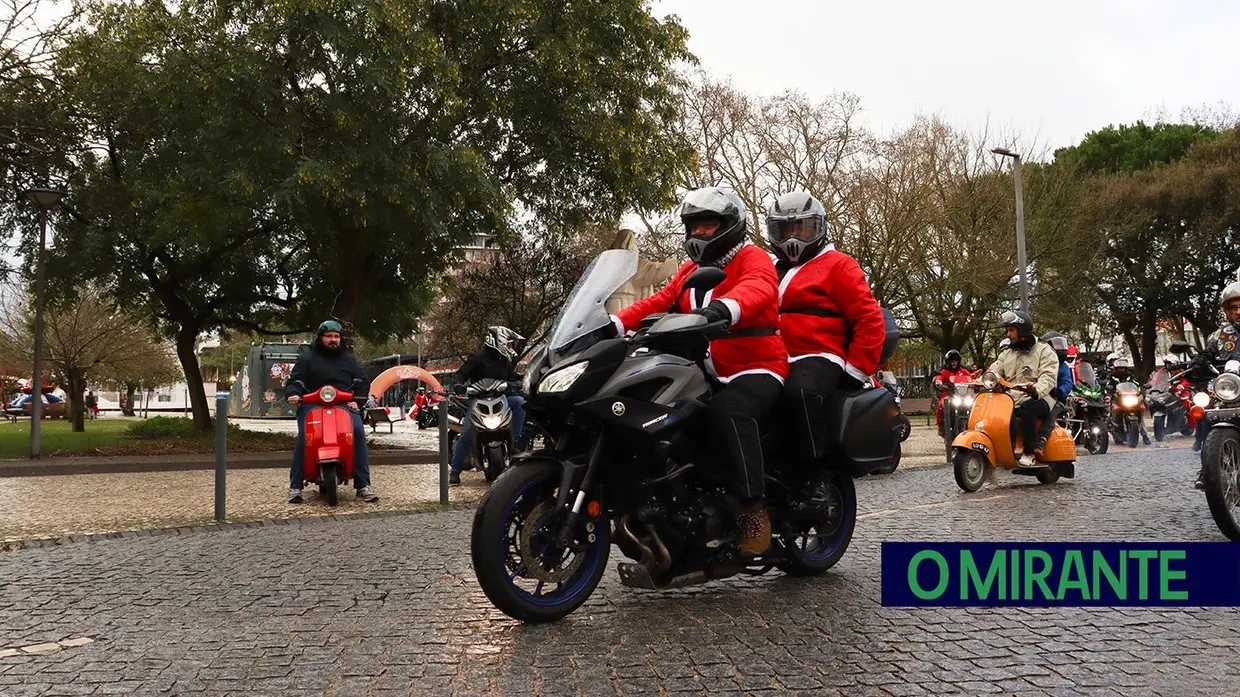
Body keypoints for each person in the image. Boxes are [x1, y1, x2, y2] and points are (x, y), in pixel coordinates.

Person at [610, 186, 788, 556]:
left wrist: (722, 310)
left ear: (730, 225)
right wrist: (612, 324)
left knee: (729, 411)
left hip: (755, 366)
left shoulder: (754, 259)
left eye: (709, 225)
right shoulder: (690, 270)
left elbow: (755, 290)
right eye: (694, 226)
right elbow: (659, 300)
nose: (700, 233)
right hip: (705, 368)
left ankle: (752, 508)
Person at [765, 190, 885, 496]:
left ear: (818, 228)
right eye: (785, 229)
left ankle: (817, 472)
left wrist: (854, 371)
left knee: (800, 392)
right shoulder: (767, 269)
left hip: (819, 354)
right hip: (769, 356)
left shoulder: (839, 265)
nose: (793, 237)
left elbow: (870, 320)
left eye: (801, 228)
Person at [285, 320, 378, 503]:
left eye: (336, 336)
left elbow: (363, 381)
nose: (333, 340)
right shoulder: (307, 358)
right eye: (329, 336)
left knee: (358, 431)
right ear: (320, 338)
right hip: (312, 404)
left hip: (343, 404)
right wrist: (294, 394)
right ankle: (295, 486)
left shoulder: (349, 359)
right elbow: (295, 381)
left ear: (341, 339)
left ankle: (363, 484)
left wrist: (357, 401)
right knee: (305, 436)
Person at [448, 326, 527, 486]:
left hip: (501, 398)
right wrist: (458, 384)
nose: (509, 347)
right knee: (468, 432)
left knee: (520, 403)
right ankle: (455, 471)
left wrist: (517, 384)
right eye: (507, 343)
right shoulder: (477, 358)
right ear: (497, 341)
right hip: (478, 400)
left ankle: (515, 443)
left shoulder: (505, 361)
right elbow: (461, 374)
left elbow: (512, 379)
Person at [986, 310, 1059, 468]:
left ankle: (1029, 452)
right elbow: (994, 370)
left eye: (1011, 330)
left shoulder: (1044, 351)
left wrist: (1035, 389)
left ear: (1023, 330)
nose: (1008, 335)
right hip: (1013, 397)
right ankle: (1007, 451)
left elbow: (1049, 376)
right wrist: (981, 380)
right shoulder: (1007, 353)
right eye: (1007, 330)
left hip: (1041, 397)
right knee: (1001, 414)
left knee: (1029, 409)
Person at [1189, 281, 1240, 485]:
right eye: (1233, 307)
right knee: (1207, 414)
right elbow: (1206, 355)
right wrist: (1196, 364)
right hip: (1229, 389)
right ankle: (1208, 469)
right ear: (1227, 311)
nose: (1238, 311)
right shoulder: (1219, 336)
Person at [1038, 335, 1075, 445]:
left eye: (1062, 345)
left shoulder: (1064, 367)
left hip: (1057, 401)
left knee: (1050, 414)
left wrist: (1059, 392)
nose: (1061, 349)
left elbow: (1067, 384)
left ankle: (1043, 438)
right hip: (1040, 397)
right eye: (1057, 345)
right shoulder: (1041, 364)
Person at [933, 350, 975, 435]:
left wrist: (975, 384)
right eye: (952, 361)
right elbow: (939, 377)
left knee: (974, 405)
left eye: (956, 361)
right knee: (942, 404)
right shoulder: (944, 371)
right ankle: (941, 425)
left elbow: (971, 379)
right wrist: (939, 382)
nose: (954, 363)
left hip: (963, 395)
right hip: (949, 394)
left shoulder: (963, 371)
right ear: (949, 362)